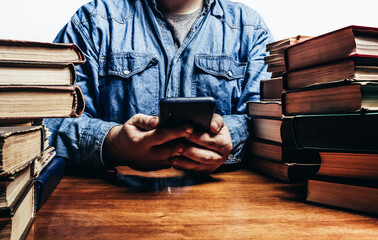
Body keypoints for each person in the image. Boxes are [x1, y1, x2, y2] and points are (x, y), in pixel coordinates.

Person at [46, 0, 273, 173]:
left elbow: (267, 122)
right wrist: (114, 144)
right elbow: (48, 124)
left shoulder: (250, 29)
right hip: (113, 207)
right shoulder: (93, 22)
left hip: (225, 210)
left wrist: (228, 136)